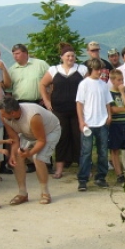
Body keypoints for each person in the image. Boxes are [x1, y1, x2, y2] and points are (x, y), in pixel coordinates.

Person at [0, 96, 61, 205]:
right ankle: (22, 193)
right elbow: (14, 138)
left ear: (12, 113)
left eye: (4, 114)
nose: (1, 116)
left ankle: (45, 193)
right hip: (27, 132)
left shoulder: (33, 116)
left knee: (38, 158)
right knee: (18, 156)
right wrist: (13, 154)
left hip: (50, 131)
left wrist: (30, 153)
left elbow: (41, 140)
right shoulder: (4, 116)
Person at [39, 43, 87, 179]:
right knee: (61, 138)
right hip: (59, 110)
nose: (70, 58)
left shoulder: (82, 69)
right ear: (62, 57)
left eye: (72, 56)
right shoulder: (54, 70)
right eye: (67, 56)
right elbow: (43, 84)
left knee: (79, 138)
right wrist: (47, 101)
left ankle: (82, 167)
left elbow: (89, 85)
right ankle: (59, 168)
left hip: (77, 110)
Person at [76, 59, 113, 191]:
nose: (100, 72)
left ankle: (101, 177)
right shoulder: (84, 84)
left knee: (103, 151)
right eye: (98, 70)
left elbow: (108, 101)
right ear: (91, 69)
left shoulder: (103, 85)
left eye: (101, 70)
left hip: (102, 122)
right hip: (88, 122)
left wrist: (109, 115)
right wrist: (81, 121)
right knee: (86, 152)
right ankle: (83, 179)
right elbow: (79, 103)